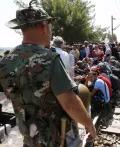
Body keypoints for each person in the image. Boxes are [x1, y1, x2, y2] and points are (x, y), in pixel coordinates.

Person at [1, 1, 96, 146]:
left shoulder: (5, 61)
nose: (51, 31)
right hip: (57, 139)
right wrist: (88, 123)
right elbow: (69, 102)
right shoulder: (49, 59)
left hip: (29, 138)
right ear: (43, 26)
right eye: (50, 26)